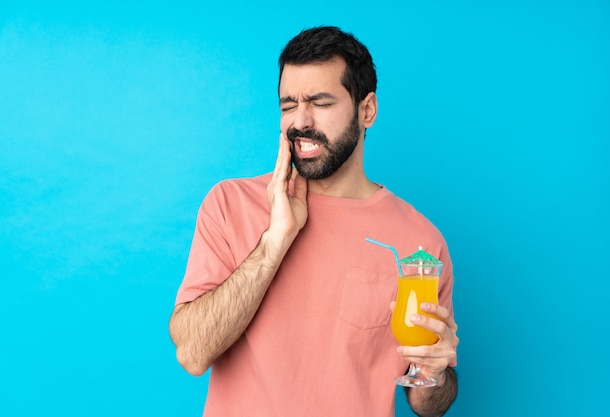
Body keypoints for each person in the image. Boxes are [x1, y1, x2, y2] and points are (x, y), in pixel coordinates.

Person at [169, 26, 459, 417]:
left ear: (367, 110)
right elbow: (192, 353)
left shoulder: (419, 240)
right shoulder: (229, 203)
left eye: (320, 103)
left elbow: (427, 404)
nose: (299, 122)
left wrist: (437, 372)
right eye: (288, 105)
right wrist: (275, 241)